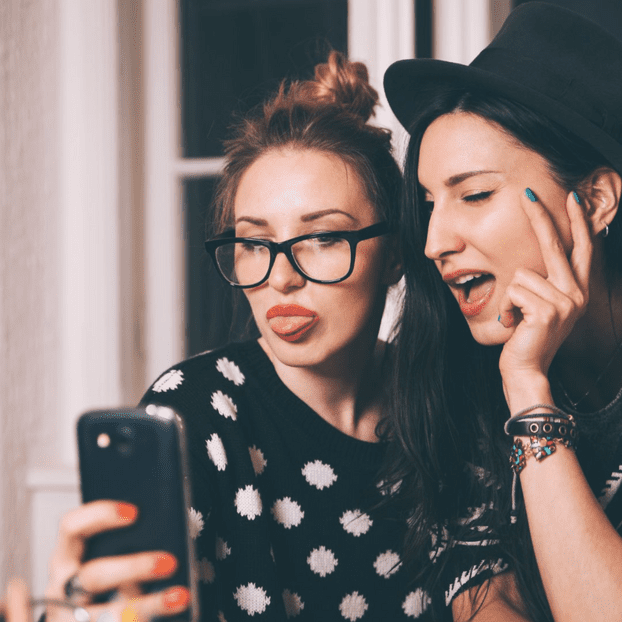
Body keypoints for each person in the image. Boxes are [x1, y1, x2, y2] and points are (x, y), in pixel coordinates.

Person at [42, 51, 502, 622]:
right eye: (256, 244)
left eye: (324, 237)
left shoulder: (447, 408)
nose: (281, 277)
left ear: (395, 255)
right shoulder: (197, 412)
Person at [383, 3, 622, 622]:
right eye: (430, 202)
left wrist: (529, 393)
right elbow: (490, 606)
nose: (435, 241)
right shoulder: (458, 373)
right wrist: (523, 383)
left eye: (475, 194)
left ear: (594, 199)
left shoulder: (515, 377)